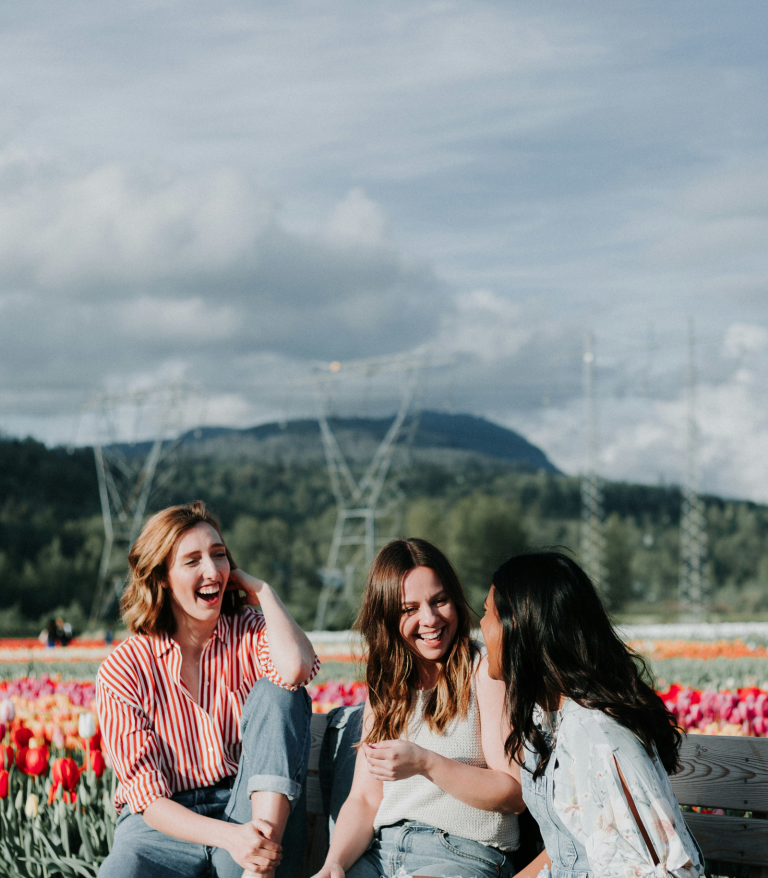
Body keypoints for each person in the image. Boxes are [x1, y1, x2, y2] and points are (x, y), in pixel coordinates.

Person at [96, 501, 319, 878]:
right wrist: (230, 838)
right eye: (192, 560)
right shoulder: (125, 668)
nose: (212, 570)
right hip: (163, 828)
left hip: (251, 808)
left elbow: (295, 671)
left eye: (219, 555)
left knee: (278, 691)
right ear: (162, 576)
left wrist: (264, 591)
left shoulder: (248, 631)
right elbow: (148, 799)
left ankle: (258, 870)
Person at [481, 551, 705, 878]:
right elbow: (568, 851)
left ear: (516, 624)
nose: (481, 625)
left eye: (487, 613)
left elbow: (647, 870)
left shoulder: (596, 737)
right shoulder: (549, 717)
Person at [314, 538, 525, 878]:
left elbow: (513, 792)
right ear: (386, 617)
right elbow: (365, 800)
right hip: (381, 854)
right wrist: (334, 865)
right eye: (409, 609)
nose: (430, 618)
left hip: (460, 854)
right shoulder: (386, 686)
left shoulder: (484, 672)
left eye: (439, 601)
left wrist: (425, 763)